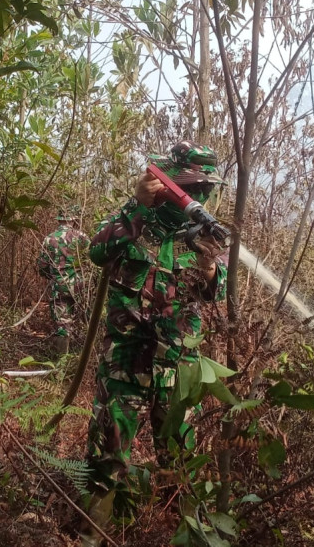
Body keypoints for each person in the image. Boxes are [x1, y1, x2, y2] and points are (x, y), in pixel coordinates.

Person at [79, 141, 228, 546]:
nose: (197, 197)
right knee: (107, 456)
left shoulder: (201, 233)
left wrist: (211, 268)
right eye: (190, 187)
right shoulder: (136, 219)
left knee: (181, 461)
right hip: (125, 364)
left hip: (176, 370)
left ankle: (187, 532)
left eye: (203, 189)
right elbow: (97, 249)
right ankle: (93, 533)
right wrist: (138, 207)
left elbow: (217, 293)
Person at [36, 207, 91, 354]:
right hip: (81, 285)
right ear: (73, 220)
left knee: (62, 325)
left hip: (59, 286)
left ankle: (62, 363)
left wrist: (51, 276)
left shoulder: (50, 238)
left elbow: (42, 265)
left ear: (59, 220)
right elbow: (93, 259)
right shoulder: (82, 237)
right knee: (88, 320)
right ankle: (89, 357)